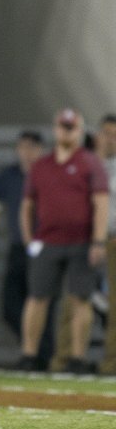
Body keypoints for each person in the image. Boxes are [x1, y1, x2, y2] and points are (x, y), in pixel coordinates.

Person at [18, 109, 109, 373]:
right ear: (56, 129)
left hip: (80, 242)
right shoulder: (42, 165)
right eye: (62, 127)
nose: (66, 132)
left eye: (71, 127)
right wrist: (28, 240)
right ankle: (29, 354)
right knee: (37, 297)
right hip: (47, 241)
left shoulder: (90, 162)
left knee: (81, 299)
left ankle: (77, 357)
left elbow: (101, 203)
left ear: (79, 130)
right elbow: (27, 206)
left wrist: (98, 241)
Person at [0, 131, 55, 369]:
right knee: (11, 307)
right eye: (23, 147)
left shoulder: (50, 174)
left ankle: (41, 357)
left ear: (40, 150)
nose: (27, 153)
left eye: (32, 147)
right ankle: (35, 350)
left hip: (47, 248)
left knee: (43, 303)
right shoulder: (10, 176)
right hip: (19, 248)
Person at [94, 114, 116, 374]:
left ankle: (111, 361)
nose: (110, 139)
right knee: (77, 302)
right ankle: (66, 360)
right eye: (106, 133)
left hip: (113, 240)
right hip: (87, 244)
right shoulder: (89, 164)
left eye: (114, 134)